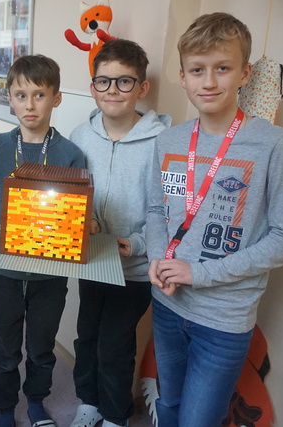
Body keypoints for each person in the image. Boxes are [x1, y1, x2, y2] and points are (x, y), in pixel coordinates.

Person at [146, 12, 283, 427]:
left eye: (222, 68)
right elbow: (157, 211)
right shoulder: (169, 140)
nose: (209, 81)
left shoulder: (274, 145)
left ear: (244, 73)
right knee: (168, 405)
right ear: (183, 76)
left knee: (199, 420)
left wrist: (199, 274)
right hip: (167, 304)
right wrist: (157, 257)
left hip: (224, 318)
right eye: (197, 70)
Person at [0, 55, 86, 427]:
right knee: (5, 348)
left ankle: (36, 402)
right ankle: (5, 408)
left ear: (56, 98)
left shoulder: (70, 154)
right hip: (4, 268)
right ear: (9, 99)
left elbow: (78, 212)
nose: (29, 105)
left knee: (41, 348)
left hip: (50, 272)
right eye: (21, 95)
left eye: (39, 95)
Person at [68, 39, 171, 427]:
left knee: (114, 345)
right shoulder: (80, 135)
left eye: (124, 81)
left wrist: (138, 243)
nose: (112, 90)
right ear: (93, 86)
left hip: (135, 269)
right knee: (87, 336)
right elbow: (74, 193)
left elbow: (167, 209)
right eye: (104, 81)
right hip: (93, 261)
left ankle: (114, 415)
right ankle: (88, 402)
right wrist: (85, 221)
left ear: (142, 88)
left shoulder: (162, 142)